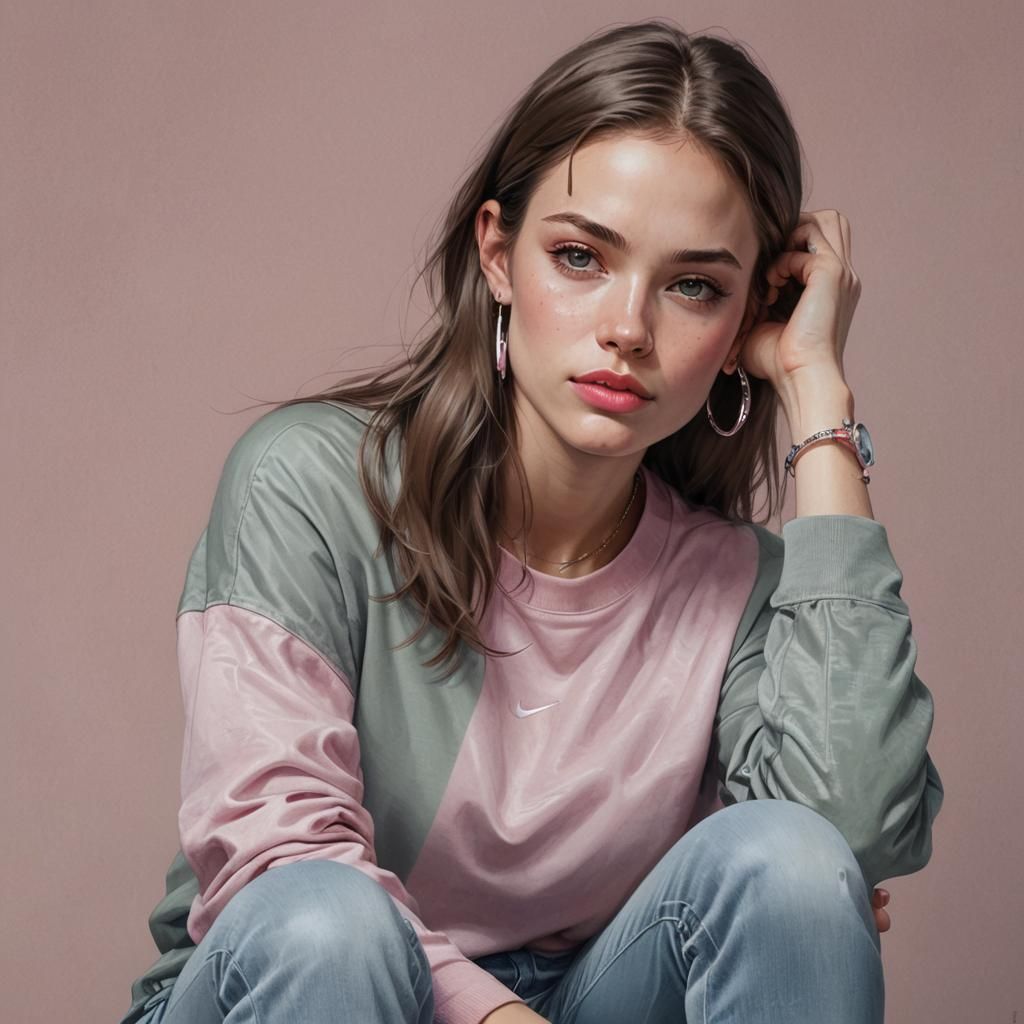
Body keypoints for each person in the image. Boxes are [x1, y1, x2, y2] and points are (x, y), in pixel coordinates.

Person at [119, 18, 943, 1024]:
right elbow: (278, 863)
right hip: (307, 991)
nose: (628, 329)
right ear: (498, 255)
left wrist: (817, 391)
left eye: (694, 286)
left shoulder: (739, 585)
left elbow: (847, 837)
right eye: (580, 256)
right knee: (328, 924)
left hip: (595, 993)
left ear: (743, 324)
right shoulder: (309, 484)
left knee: (794, 860)